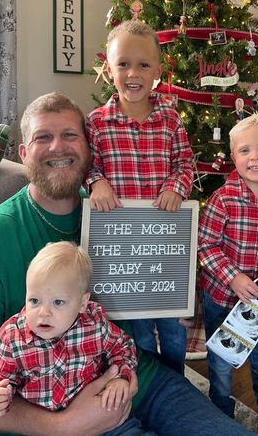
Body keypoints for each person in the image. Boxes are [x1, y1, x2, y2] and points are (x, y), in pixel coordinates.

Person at [0, 92, 256, 436]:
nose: (57, 147)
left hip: (138, 379)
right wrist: (62, 425)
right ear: (23, 153)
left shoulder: (123, 213)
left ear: (89, 148)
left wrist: (175, 297)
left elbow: (155, 276)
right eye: (43, 137)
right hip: (51, 405)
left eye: (70, 135)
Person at [85, 19, 194, 375]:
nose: (133, 73)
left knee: (173, 330)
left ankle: (176, 385)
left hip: (165, 248)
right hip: (123, 254)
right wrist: (96, 182)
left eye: (143, 64)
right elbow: (88, 166)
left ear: (157, 70)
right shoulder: (97, 123)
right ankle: (147, 382)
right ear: (108, 68)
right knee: (140, 333)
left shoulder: (171, 120)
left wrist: (176, 187)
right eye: (123, 64)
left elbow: (185, 163)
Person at [0, 242, 137, 418]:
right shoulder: (13, 337)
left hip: (97, 412)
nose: (44, 313)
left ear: (82, 303)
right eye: (34, 300)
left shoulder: (94, 324)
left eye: (58, 302)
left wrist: (121, 377)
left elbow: (122, 346)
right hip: (40, 424)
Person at [198, 114, 258, 417]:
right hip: (221, 298)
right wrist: (232, 277)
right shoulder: (223, 200)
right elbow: (205, 245)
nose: (255, 157)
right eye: (245, 150)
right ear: (233, 156)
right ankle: (220, 412)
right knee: (221, 362)